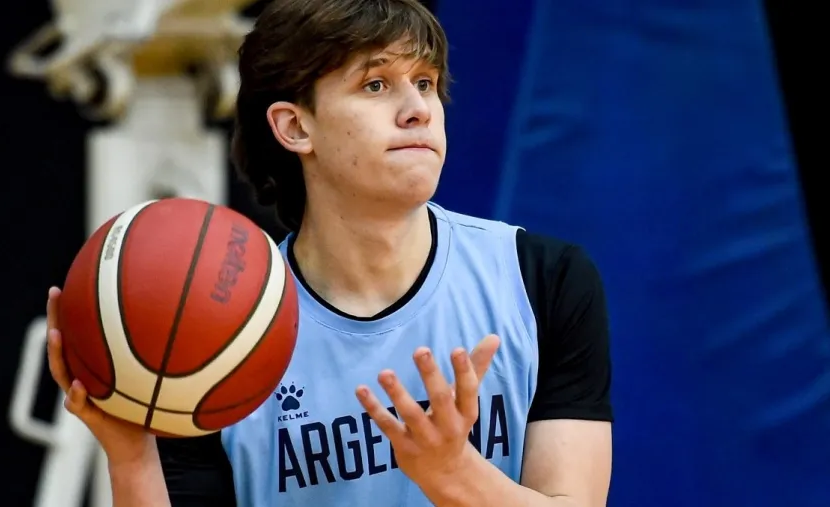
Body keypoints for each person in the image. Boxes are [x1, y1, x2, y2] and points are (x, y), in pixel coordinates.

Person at [44, 0, 614, 505]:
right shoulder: (217, 329)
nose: (417, 108)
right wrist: (131, 453)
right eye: (376, 85)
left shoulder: (541, 279)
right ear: (295, 127)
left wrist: (454, 474)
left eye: (426, 82)